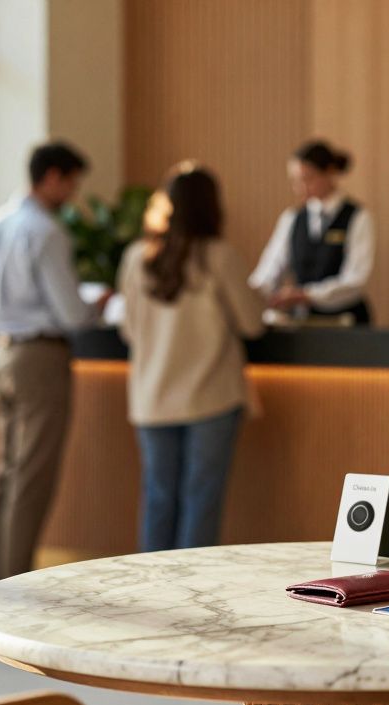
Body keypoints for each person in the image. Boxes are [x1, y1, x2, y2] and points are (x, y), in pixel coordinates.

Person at [0, 140, 106, 584]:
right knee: (32, 478)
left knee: (6, 472)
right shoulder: (46, 231)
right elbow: (70, 312)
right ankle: (13, 583)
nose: (72, 194)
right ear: (52, 177)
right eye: (71, 183)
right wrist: (98, 302)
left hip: (1, 353)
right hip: (40, 358)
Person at [117, 163, 265, 551]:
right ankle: (194, 597)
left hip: (152, 398)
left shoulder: (137, 257)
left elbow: (127, 330)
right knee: (201, 501)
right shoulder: (219, 256)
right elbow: (252, 324)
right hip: (210, 397)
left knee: (158, 498)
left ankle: (155, 595)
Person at [248, 140, 375, 325]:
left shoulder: (358, 217)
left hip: (346, 321)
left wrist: (306, 295)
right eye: (295, 181)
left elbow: (355, 279)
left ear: (330, 172)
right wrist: (253, 296)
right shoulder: (291, 219)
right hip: (303, 322)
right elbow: (269, 270)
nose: (300, 187)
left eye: (308, 178)